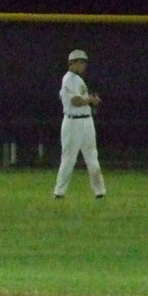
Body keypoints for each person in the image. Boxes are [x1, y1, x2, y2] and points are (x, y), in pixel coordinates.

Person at [53, 49, 106, 199]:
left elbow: (82, 100)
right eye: (81, 62)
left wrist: (91, 101)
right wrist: (90, 100)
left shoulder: (78, 79)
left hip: (86, 121)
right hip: (73, 122)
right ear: (73, 62)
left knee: (92, 157)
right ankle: (59, 192)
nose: (84, 65)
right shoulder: (68, 79)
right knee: (69, 159)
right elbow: (75, 101)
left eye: (85, 62)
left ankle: (100, 192)